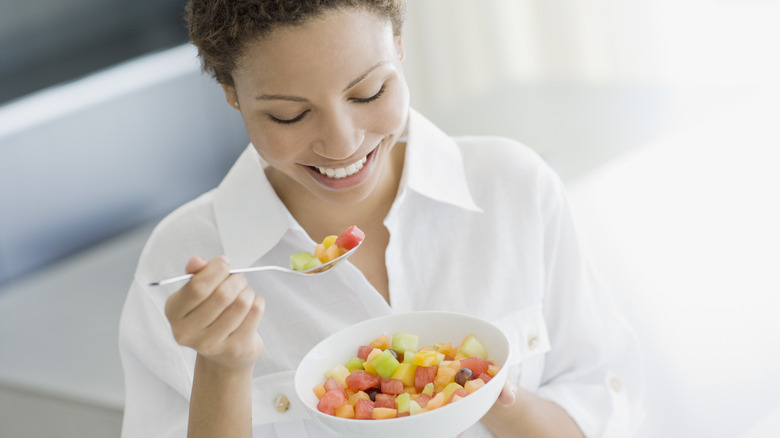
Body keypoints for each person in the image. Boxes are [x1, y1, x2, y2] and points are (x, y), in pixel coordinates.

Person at [119, 1, 643, 437]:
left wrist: (486, 396)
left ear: (398, 47)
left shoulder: (512, 189)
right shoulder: (182, 261)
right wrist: (223, 370)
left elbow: (606, 408)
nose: (343, 143)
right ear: (232, 94)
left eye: (368, 93)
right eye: (289, 115)